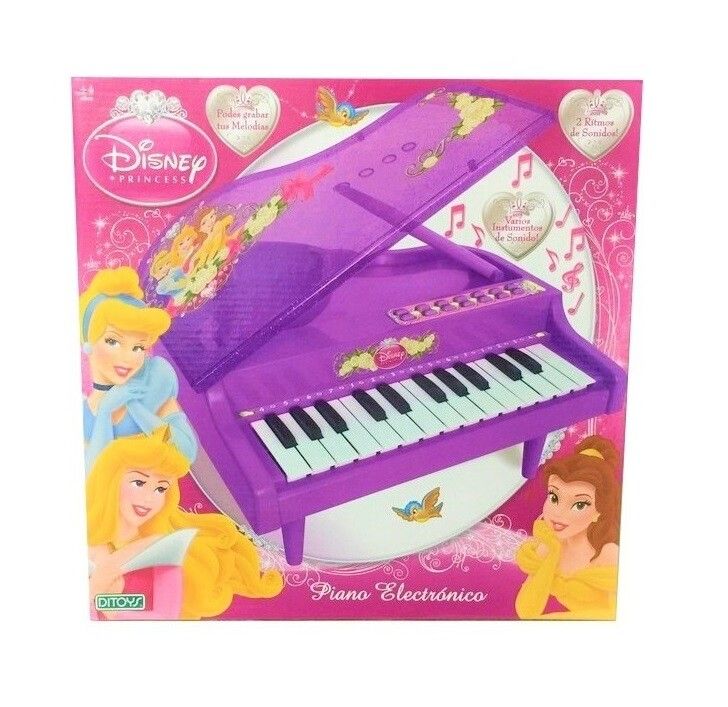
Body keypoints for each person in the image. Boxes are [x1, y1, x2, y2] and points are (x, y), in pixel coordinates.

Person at [87, 428, 284, 620]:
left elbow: (165, 615)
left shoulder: (164, 550)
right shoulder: (91, 544)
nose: (148, 498)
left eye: (160, 489)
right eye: (139, 483)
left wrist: (111, 587)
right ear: (110, 480)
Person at [79, 266, 198, 471]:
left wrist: (135, 407)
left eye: (138, 347)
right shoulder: (83, 412)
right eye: (113, 341)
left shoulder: (155, 381)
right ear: (88, 342)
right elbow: (96, 473)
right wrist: (106, 410)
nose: (128, 358)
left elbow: (185, 452)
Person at [515, 435, 621, 619]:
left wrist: (554, 621)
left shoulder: (608, 554)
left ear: (598, 512)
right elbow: (526, 611)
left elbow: (614, 615)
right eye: (554, 497)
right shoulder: (550, 544)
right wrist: (552, 553)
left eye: (579, 505)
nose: (558, 513)